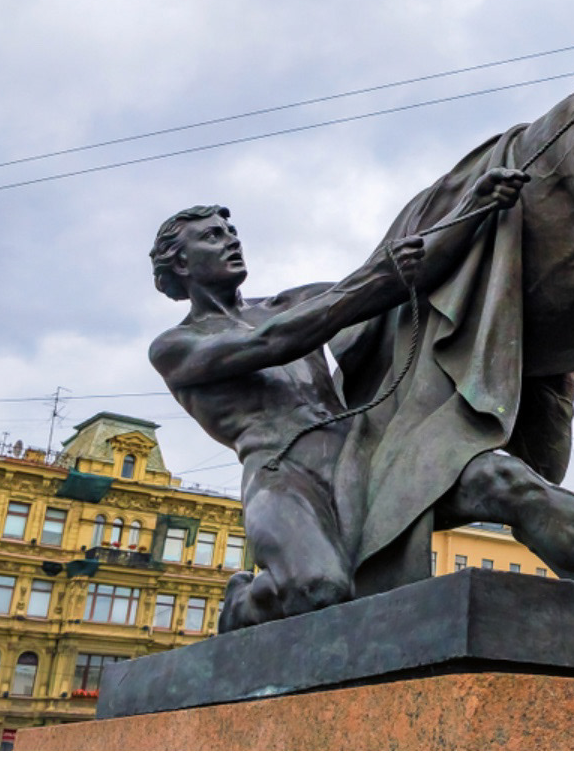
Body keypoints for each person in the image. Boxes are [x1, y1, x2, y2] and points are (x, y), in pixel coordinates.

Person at [148, 170, 527, 631]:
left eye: (232, 232)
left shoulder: (291, 301)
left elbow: (402, 275)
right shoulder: (174, 346)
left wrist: (474, 207)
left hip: (355, 456)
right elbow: (271, 343)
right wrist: (369, 282)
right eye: (212, 237)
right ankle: (246, 602)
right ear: (182, 265)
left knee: (502, 481)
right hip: (282, 473)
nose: (231, 241)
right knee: (320, 588)